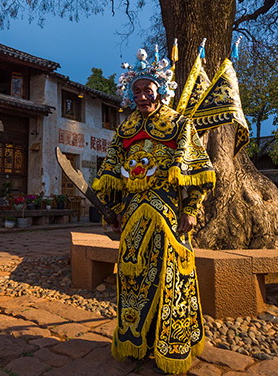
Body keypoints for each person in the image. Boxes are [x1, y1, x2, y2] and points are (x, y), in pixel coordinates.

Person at [93, 48, 216, 375]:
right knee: (133, 277)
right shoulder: (125, 130)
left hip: (168, 211)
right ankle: (136, 340)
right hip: (133, 215)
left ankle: (171, 344)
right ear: (130, 95)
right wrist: (113, 212)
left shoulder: (179, 124)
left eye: (148, 90)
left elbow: (201, 173)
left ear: (159, 91)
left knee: (168, 276)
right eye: (136, 91)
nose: (142, 96)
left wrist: (191, 208)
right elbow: (113, 174)